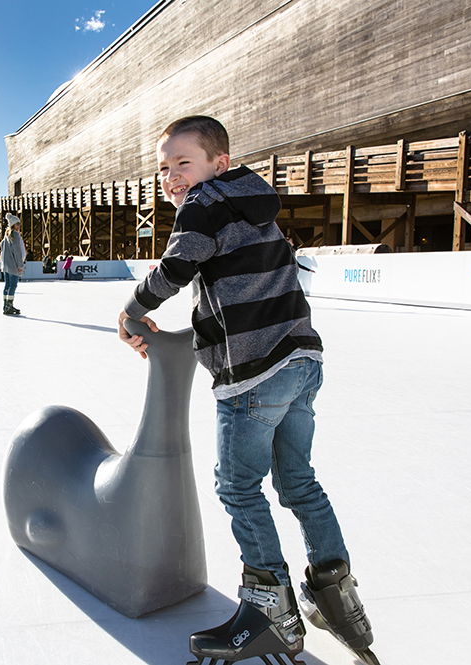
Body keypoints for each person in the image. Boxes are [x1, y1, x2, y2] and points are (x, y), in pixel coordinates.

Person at [117, 116, 378, 665]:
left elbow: (177, 267)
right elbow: (240, 284)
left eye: (183, 162)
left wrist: (133, 308)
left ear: (219, 163)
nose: (171, 177)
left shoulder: (205, 203)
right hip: (302, 361)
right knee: (300, 483)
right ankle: (335, 594)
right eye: (164, 167)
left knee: (238, 488)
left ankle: (269, 611)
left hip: (254, 375)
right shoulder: (251, 205)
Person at [0, 213, 26, 315]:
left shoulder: (6, 236)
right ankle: (9, 307)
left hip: (5, 265)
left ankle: (6, 306)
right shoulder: (15, 235)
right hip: (13, 265)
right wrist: (20, 266)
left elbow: (1, 247)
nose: (19, 226)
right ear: (13, 225)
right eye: (17, 224)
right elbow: (18, 252)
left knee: (7, 286)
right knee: (13, 286)